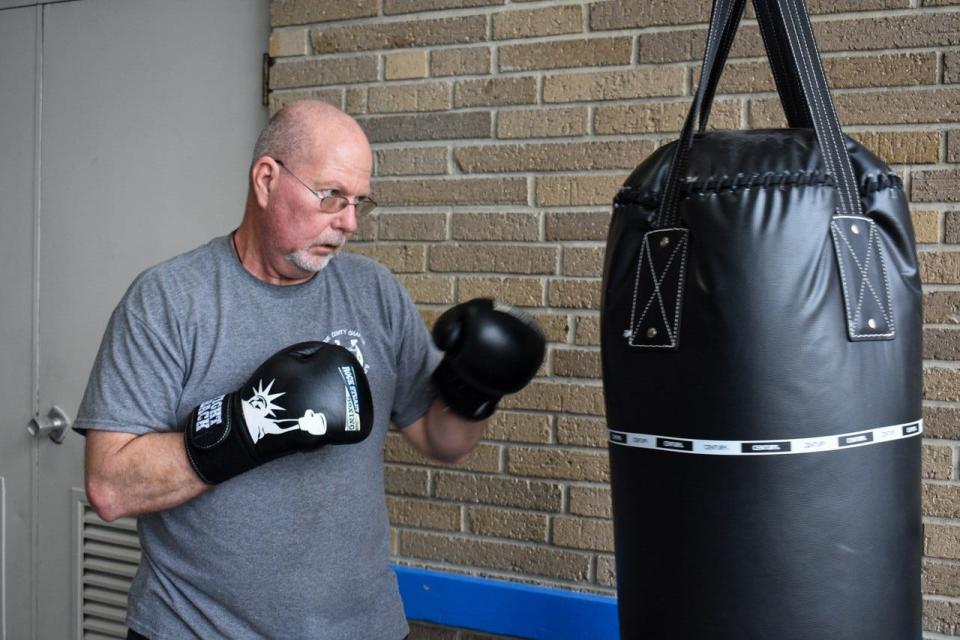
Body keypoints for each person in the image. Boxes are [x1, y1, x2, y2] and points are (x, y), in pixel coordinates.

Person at [75, 100, 544, 640]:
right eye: (331, 196)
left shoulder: (374, 291)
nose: (347, 223)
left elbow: (443, 441)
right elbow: (111, 487)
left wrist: (476, 390)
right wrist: (252, 424)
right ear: (267, 179)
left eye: (359, 203)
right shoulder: (170, 300)